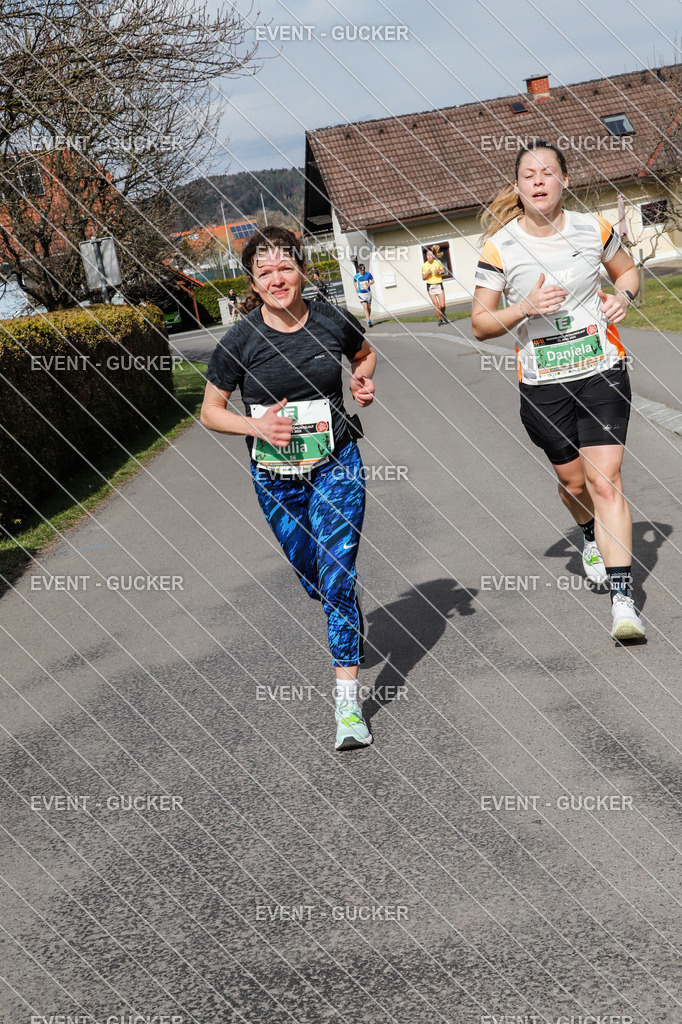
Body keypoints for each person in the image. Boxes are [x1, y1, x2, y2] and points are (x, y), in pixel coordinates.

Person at [201, 226, 378, 749]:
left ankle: (347, 706)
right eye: (264, 273)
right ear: (253, 285)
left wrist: (361, 380)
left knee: (338, 575)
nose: (277, 279)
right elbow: (209, 412)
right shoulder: (238, 342)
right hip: (275, 477)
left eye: (285, 267)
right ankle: (341, 608)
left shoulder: (332, 320)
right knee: (314, 578)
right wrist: (256, 427)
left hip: (336, 462)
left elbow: (363, 354)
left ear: (302, 270)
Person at [472, 139, 644, 641]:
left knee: (605, 481)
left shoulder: (595, 228)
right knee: (574, 485)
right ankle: (589, 534)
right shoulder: (500, 246)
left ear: (564, 181)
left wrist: (624, 297)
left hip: (602, 370)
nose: (540, 180)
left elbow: (628, 272)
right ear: (519, 187)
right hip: (544, 384)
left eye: (549, 172)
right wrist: (524, 307)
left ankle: (622, 601)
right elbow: (481, 325)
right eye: (529, 174)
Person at [422, 248, 449, 325]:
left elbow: (443, 271)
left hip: (439, 285)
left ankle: (443, 314)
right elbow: (423, 278)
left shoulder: (438, 262)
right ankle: (439, 319)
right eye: (427, 255)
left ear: (433, 255)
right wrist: (427, 273)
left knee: (442, 305)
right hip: (430, 286)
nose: (429, 256)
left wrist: (439, 272)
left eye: (430, 254)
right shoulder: (424, 265)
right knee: (436, 304)